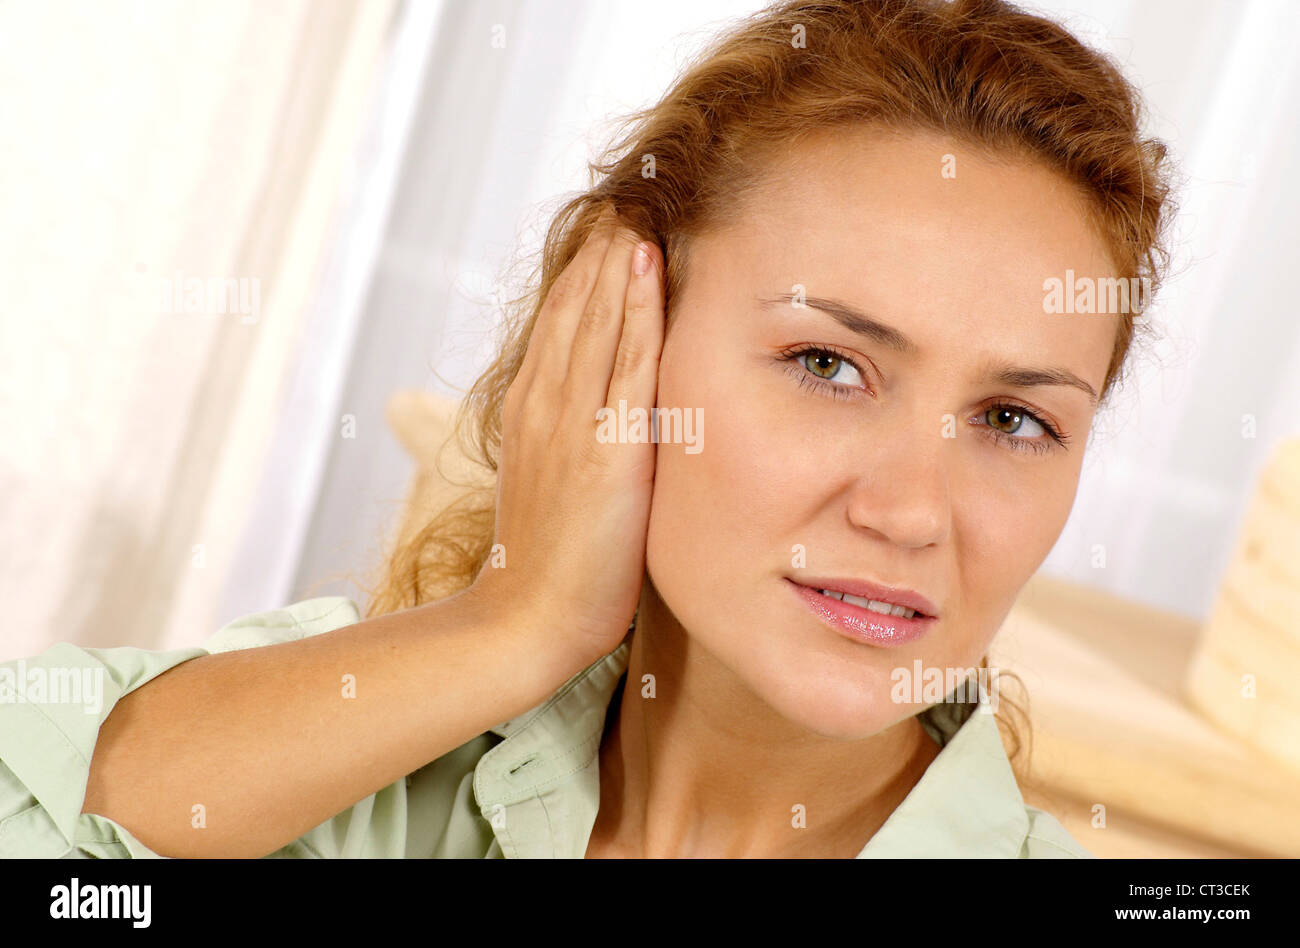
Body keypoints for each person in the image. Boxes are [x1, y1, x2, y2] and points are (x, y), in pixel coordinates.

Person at [0, 0, 1172, 858]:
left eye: (1014, 420)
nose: (912, 511)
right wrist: (523, 621)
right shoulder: (369, 778)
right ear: (621, 337)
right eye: (827, 364)